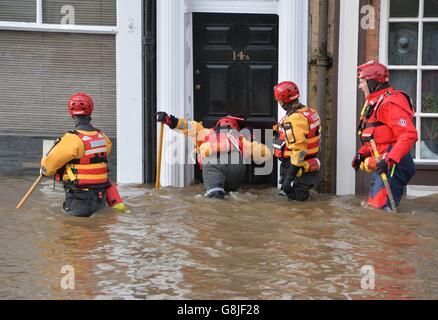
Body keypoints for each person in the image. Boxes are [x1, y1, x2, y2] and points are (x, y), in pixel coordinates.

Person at [40, 93, 129, 217]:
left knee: (75, 232)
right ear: (91, 111)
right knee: (98, 232)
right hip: (100, 198)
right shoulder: (103, 137)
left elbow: (48, 168)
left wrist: (44, 170)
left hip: (79, 199)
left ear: (72, 113)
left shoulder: (72, 139)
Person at [156, 112, 271, 199]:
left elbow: (187, 126)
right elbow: (265, 154)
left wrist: (170, 120)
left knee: (214, 198)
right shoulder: (240, 139)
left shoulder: (205, 132)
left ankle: (216, 191)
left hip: (213, 166)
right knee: (233, 195)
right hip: (236, 169)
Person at [352, 61, 418, 211]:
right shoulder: (375, 103)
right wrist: (362, 154)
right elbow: (378, 136)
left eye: (362, 82)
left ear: (372, 82)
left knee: (380, 209)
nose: (360, 86)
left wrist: (389, 159)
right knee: (373, 207)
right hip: (384, 162)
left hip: (394, 164)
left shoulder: (390, 103)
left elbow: (409, 134)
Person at [272, 81, 321, 201]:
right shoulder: (310, 112)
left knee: (295, 205)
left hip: (296, 168)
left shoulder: (294, 119)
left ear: (282, 102)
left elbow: (299, 150)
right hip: (308, 165)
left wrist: (289, 178)